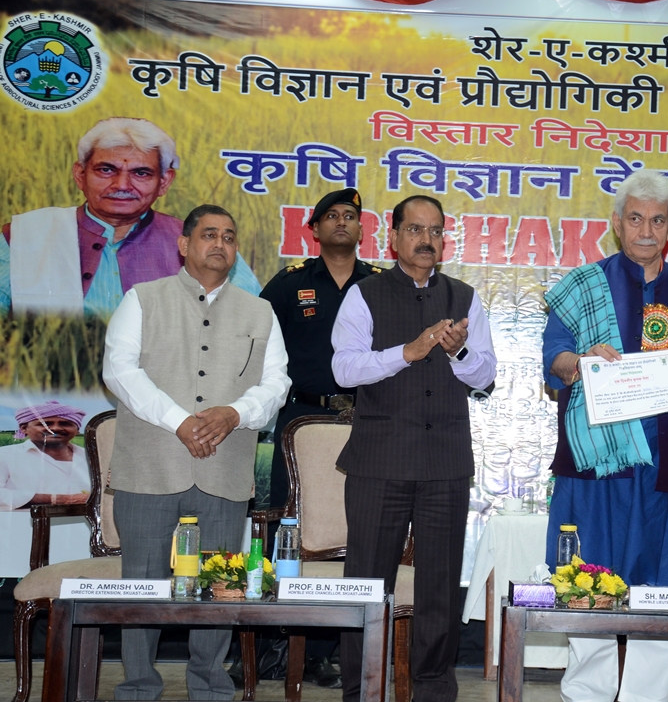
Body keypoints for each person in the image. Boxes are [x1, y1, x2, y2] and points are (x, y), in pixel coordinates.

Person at [102, 204, 289, 700]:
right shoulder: (142, 299)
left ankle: (209, 686)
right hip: (150, 467)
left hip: (225, 470)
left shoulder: (260, 312)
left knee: (220, 582)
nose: (219, 244)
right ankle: (138, 686)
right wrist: (179, 421)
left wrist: (234, 414)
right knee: (142, 584)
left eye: (228, 236)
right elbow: (119, 371)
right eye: (209, 234)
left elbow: (277, 384)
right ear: (184, 244)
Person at [544, 169, 668, 702]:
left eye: (657, 221)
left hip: (667, 464)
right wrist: (581, 362)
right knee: (586, 581)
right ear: (617, 224)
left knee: (665, 589)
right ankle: (586, 695)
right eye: (635, 219)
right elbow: (554, 359)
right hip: (599, 462)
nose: (645, 230)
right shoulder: (582, 287)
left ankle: (648, 696)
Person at [331, 194, 496, 702]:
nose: (427, 240)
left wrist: (458, 351)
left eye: (436, 231)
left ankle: (433, 689)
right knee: (366, 583)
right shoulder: (364, 295)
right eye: (415, 229)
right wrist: (409, 351)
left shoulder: (464, 297)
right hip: (379, 461)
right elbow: (344, 369)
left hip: (445, 462)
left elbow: (485, 376)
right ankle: (361, 689)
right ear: (394, 237)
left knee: (440, 588)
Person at [257, 187, 381, 688]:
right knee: (289, 526)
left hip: (365, 420)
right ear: (313, 229)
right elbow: (257, 345)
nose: (341, 222)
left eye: (350, 215)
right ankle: (273, 643)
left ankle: (326, 649)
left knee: (352, 530)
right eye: (331, 215)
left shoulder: (380, 284)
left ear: (361, 228)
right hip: (301, 420)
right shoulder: (290, 284)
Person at [1, 117, 259, 318]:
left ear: (164, 182)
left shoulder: (202, 243)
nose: (122, 185)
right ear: (80, 175)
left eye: (141, 173)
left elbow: (246, 324)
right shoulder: (24, 236)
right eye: (106, 170)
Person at [0, 401, 89, 510]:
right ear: (24, 428)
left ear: (77, 430)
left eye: (65, 424)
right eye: (45, 424)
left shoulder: (93, 458)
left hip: (84, 521)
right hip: (23, 521)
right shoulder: (5, 455)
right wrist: (58, 499)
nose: (55, 428)